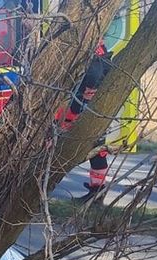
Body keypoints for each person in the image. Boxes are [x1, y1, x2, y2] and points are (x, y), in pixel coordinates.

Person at [55, 39, 113, 201]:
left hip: (83, 110)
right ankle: (97, 190)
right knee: (98, 152)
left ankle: (97, 192)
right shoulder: (102, 55)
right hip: (90, 109)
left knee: (57, 145)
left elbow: (92, 79)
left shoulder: (95, 57)